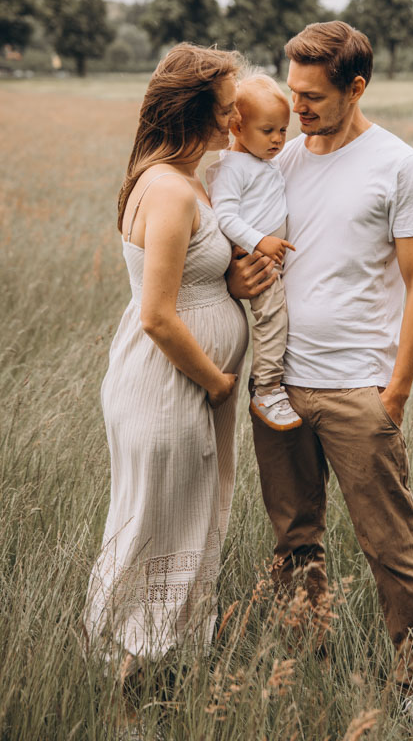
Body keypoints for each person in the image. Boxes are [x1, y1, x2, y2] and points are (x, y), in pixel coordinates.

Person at [228, 21, 413, 739]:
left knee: (389, 546)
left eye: (314, 95)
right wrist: (237, 272)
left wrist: (395, 394)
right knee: (295, 540)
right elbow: (249, 254)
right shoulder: (281, 159)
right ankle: (308, 670)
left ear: (357, 87)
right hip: (280, 387)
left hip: (359, 390)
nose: (298, 108)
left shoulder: (397, 164)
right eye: (291, 92)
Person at [83, 44, 249, 672]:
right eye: (228, 111)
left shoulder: (172, 178)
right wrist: (215, 381)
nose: (236, 122)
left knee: (151, 531)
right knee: (157, 539)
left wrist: (235, 285)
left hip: (167, 387)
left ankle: (149, 681)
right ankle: (132, 701)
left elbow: (190, 285)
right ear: (192, 111)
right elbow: (157, 313)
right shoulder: (172, 191)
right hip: (173, 388)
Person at [206, 74, 301, 430]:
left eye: (282, 130)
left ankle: (271, 383)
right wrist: (259, 242)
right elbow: (225, 216)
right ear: (237, 126)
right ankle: (267, 389)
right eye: (268, 131)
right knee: (272, 317)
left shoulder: (262, 160)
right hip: (255, 258)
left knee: (276, 317)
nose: (277, 139)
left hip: (265, 254)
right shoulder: (232, 167)